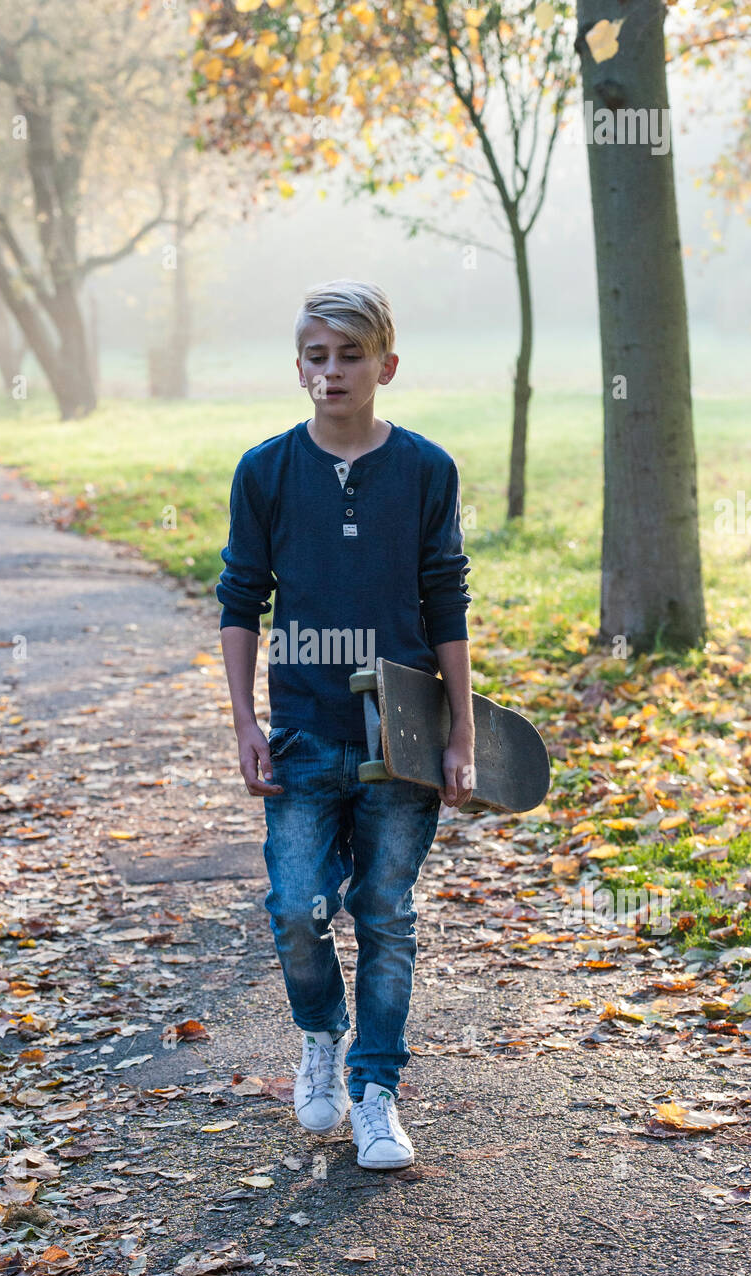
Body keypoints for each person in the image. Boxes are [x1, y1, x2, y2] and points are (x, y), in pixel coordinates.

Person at [216, 279, 474, 1169]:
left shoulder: (426, 470)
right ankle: (320, 1035)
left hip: (399, 733)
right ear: (298, 367)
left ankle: (375, 1091)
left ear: (385, 366)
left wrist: (461, 735)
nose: (332, 371)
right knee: (296, 907)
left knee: (385, 914)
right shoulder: (267, 470)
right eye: (317, 356)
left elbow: (445, 600)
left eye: (351, 355)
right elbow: (241, 599)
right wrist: (244, 721)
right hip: (301, 729)